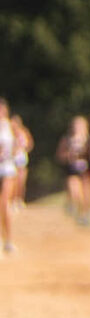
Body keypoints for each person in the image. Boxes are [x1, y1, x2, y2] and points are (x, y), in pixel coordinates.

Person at [58, 116, 90, 223]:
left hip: (86, 170)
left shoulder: (89, 140)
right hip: (72, 169)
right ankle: (74, 205)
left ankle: (84, 213)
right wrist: (69, 156)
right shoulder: (67, 139)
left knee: (85, 193)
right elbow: (60, 155)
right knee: (74, 189)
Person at [0, 99, 16, 255]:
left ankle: (8, 239)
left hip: (7, 170)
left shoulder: (10, 126)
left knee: (4, 204)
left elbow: (23, 142)